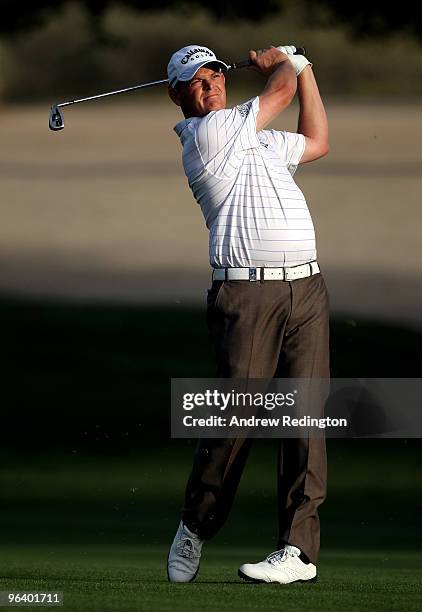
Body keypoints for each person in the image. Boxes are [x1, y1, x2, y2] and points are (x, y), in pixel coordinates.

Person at [166, 44, 330, 584]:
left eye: (214, 76)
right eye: (196, 82)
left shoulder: (255, 138)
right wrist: (286, 61)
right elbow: (278, 91)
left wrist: (303, 70)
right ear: (179, 97)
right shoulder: (206, 136)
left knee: (305, 419)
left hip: (305, 287)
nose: (209, 85)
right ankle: (196, 524)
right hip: (246, 294)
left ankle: (297, 552)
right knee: (237, 418)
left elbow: (318, 142)